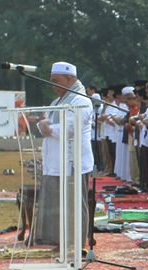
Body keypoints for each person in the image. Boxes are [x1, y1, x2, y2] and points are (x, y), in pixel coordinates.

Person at [34, 61, 94, 247]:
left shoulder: (81, 101)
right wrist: (45, 126)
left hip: (72, 162)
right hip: (55, 162)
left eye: (56, 81)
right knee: (59, 205)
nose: (53, 86)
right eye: (51, 81)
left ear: (69, 79)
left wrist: (47, 128)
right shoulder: (57, 102)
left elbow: (69, 129)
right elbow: (44, 121)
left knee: (75, 204)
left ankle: (76, 244)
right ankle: (61, 241)